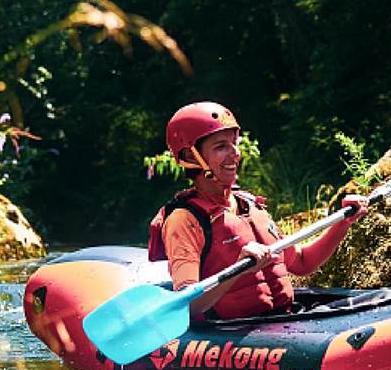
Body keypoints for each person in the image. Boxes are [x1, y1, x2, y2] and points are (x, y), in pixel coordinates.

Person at [148, 102, 368, 320]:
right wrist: (237, 270)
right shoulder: (184, 220)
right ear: (189, 157)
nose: (235, 153)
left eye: (235, 143)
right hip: (230, 338)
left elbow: (301, 263)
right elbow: (186, 306)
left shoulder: (251, 207)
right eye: (221, 146)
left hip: (284, 322)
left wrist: (343, 223)